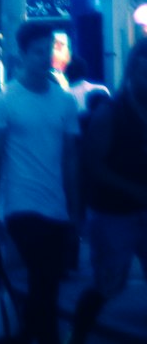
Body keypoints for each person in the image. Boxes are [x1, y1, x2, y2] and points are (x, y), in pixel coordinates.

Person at [0, 21, 80, 344]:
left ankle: (33, 332)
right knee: (43, 277)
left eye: (49, 49)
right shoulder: (4, 101)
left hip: (56, 206)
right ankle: (46, 335)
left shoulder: (65, 102)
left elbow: (69, 159)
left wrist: (74, 209)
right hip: (19, 205)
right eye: (38, 51)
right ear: (22, 55)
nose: (45, 57)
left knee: (47, 282)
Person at [68, 41, 147, 344]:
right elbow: (91, 164)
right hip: (114, 213)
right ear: (132, 72)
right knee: (108, 282)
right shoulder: (111, 113)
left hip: (134, 208)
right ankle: (77, 336)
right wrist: (134, 189)